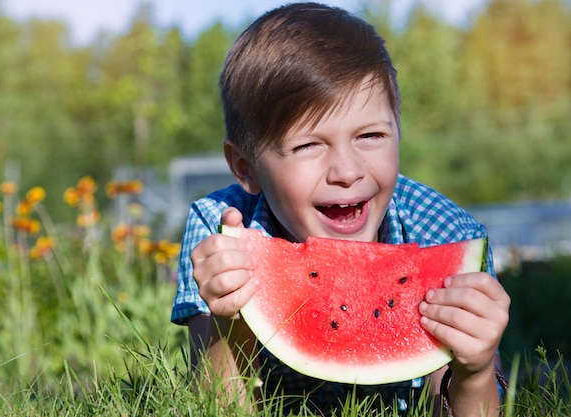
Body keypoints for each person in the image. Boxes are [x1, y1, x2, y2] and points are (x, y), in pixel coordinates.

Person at [171, 3, 510, 415]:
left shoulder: (445, 231)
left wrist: (473, 373)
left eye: (370, 135)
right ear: (245, 167)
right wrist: (228, 322)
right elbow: (218, 407)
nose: (348, 172)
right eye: (308, 145)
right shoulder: (219, 229)